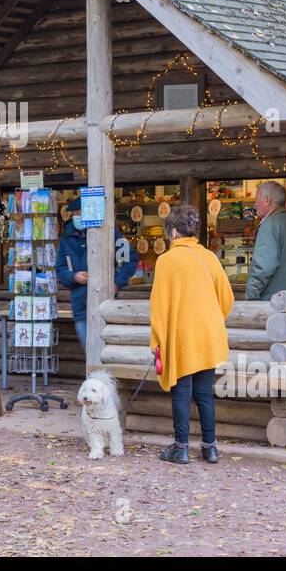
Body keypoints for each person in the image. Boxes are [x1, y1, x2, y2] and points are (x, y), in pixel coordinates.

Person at [150, 205, 233, 465]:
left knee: (181, 393)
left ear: (173, 231)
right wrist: (211, 318)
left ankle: (181, 447)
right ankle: (210, 448)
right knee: (204, 394)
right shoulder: (209, 257)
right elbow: (227, 298)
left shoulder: (166, 260)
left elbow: (159, 306)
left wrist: (157, 341)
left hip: (181, 336)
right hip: (208, 336)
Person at [56, 196, 137, 351]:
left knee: (107, 354)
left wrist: (116, 282)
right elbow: (59, 268)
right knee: (90, 353)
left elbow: (129, 259)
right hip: (80, 308)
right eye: (73, 215)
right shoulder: (66, 239)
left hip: (105, 307)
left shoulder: (110, 234)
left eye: (78, 213)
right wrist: (74, 277)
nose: (76, 218)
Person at [245, 181, 286, 301]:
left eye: (257, 199)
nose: (255, 204)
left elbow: (263, 267)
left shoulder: (269, 225)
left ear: (267, 201)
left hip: (273, 300)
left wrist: (251, 296)